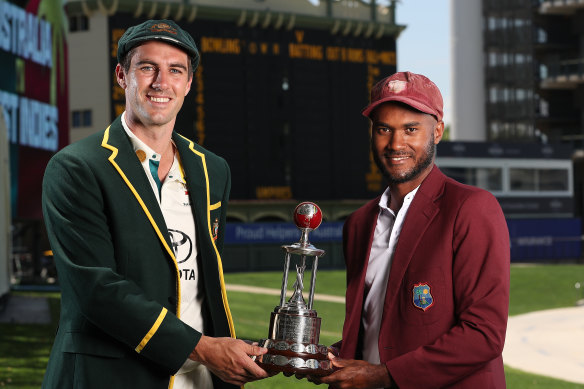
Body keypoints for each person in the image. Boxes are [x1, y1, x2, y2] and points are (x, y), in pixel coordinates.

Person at [41, 19, 268, 389]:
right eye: (148, 67)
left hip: (200, 380)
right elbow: (97, 290)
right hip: (111, 376)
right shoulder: (76, 167)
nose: (162, 82)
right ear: (122, 75)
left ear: (189, 83)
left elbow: (205, 284)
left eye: (175, 70)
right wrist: (204, 348)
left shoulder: (213, 169)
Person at [319, 71, 510, 388]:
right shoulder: (358, 224)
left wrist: (383, 376)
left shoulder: (471, 208)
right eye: (384, 129)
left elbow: (484, 334)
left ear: (437, 131)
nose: (396, 143)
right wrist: (329, 358)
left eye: (410, 129)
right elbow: (379, 328)